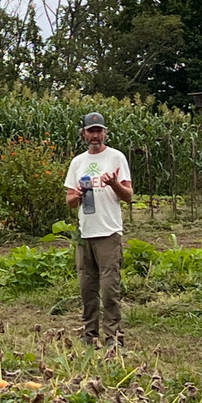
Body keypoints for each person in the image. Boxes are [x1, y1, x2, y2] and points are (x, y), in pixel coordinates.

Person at [64, 112, 133, 348]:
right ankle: (89, 333)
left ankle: (114, 335)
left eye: (99, 130)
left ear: (105, 133)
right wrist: (78, 196)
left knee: (109, 287)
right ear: (83, 133)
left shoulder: (116, 158)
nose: (95, 135)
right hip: (85, 233)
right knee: (87, 287)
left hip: (109, 232)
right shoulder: (77, 162)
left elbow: (129, 196)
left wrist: (113, 183)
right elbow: (70, 200)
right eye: (90, 131)